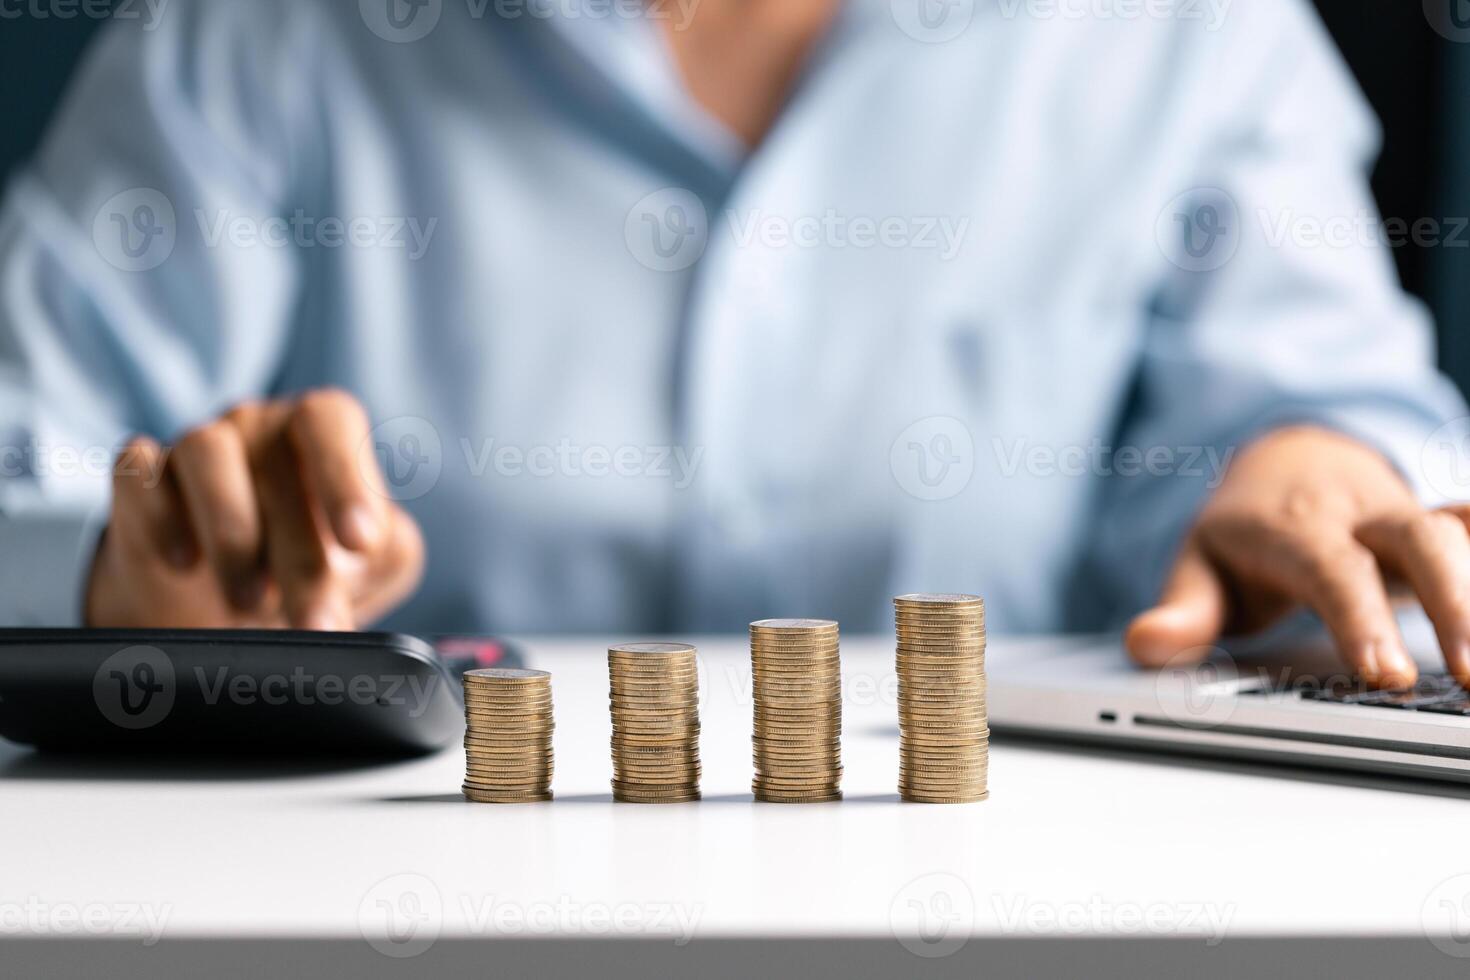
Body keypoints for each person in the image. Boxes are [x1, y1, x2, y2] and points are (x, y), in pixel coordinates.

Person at [0, 0, 1464, 690]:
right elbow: (30, 463)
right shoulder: (256, 37)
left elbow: (1321, 406)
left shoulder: (1190, 32)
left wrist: (1312, 467)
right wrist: (126, 581)